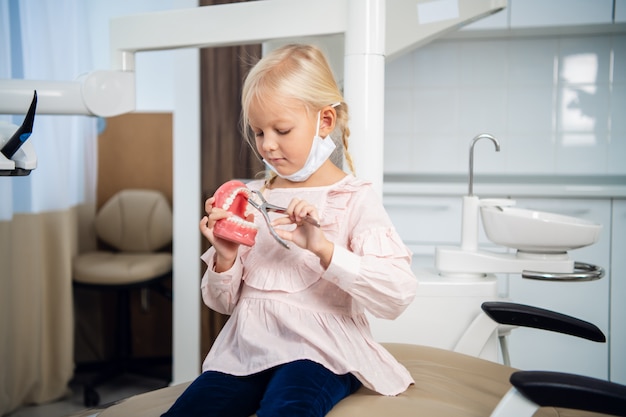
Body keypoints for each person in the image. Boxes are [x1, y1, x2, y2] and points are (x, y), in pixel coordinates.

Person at [162, 43, 418, 417]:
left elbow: (397, 295)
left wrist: (323, 249)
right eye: (258, 131)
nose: (267, 146)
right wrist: (226, 258)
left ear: (324, 122)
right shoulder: (250, 197)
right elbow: (221, 303)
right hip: (247, 349)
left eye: (281, 130)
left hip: (321, 353)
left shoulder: (353, 198)